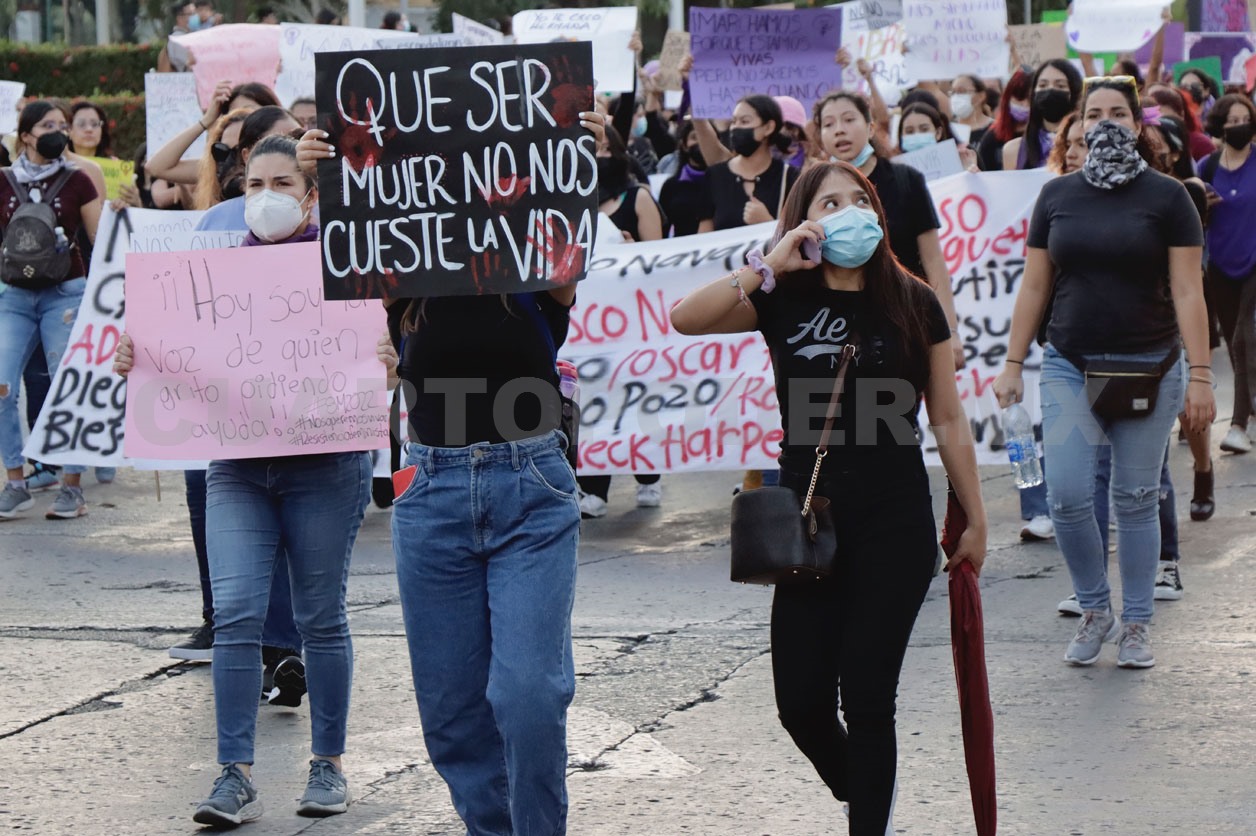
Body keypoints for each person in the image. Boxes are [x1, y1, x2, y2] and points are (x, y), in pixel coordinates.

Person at [292, 108, 606, 835]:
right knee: (452, 716)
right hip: (431, 491)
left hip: (531, 486)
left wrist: (577, 157)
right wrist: (324, 178)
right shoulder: (403, 277)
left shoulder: (536, 264)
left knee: (529, 695)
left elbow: (564, 217)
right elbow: (352, 239)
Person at [670, 160, 988, 835]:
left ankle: (867, 817)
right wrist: (768, 263)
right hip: (809, 520)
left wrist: (975, 517)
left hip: (895, 517)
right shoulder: (782, 295)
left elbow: (948, 416)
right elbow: (685, 318)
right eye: (830, 204)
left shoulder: (915, 301)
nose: (850, 214)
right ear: (804, 222)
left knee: (869, 698)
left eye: (859, 201)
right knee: (801, 705)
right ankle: (863, 789)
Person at [114, 135, 391, 826]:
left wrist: (390, 357)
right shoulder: (208, 279)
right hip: (237, 468)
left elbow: (392, 345)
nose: (264, 197)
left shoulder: (351, 265)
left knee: (319, 617)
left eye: (281, 183)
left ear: (312, 195)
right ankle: (233, 775)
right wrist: (138, 355)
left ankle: (328, 765)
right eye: (253, 185)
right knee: (236, 614)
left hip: (325, 467)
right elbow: (178, 353)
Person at [994, 77, 1215, 669]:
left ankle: (1137, 623)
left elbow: (1188, 291)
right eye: (1095, 114)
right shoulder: (1056, 196)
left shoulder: (1170, 198)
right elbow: (1034, 285)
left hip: (1152, 367)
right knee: (1066, 496)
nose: (1107, 122)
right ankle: (1096, 609)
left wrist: (1200, 374)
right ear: (1079, 124)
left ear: (1139, 124)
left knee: (1135, 498)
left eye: (1119, 112)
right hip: (1069, 364)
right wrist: (1012, 363)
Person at [813, 91, 966, 370]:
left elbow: (933, 259)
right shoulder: (815, 191)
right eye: (829, 124)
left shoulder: (906, 180)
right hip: (839, 331)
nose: (839, 130)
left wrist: (951, 331)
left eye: (849, 120)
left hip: (906, 321)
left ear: (871, 127)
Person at [0, 101, 101, 521]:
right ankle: (15, 482)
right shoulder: (3, 181)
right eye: (47, 125)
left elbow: (100, 241)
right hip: (14, 297)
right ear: (25, 135)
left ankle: (72, 487)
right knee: (2, 386)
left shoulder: (79, 179)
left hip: (65, 295)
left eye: (62, 124)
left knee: (67, 386)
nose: (57, 131)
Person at [578, 125, 665, 517]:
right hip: (589, 325)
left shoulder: (638, 197)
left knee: (637, 398)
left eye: (603, 148)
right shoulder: (571, 201)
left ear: (617, 152)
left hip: (632, 321)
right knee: (595, 399)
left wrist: (633, 253)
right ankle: (594, 487)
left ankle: (648, 475)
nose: (597, 156)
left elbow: (663, 259)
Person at [1199, 93, 1256, 456]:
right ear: (1220, 125)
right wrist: (1201, 205)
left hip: (1255, 261)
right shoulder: (1206, 166)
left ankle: (1238, 426)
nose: (1239, 126)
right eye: (1232, 121)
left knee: (1242, 338)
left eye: (1245, 119)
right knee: (1240, 344)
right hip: (1220, 264)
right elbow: (1191, 215)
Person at [697, 95, 799, 234]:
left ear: (768, 127)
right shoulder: (715, 175)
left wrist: (767, 223)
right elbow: (704, 236)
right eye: (733, 121)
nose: (736, 127)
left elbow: (797, 236)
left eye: (744, 121)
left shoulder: (789, 177)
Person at [1002, 59, 1083, 171]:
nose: (1050, 90)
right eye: (1043, 85)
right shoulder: (1013, 151)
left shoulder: (1086, 148)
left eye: (1060, 86)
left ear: (1074, 93)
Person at [658, 120, 707, 238]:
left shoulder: (722, 182)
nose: (700, 141)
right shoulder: (671, 186)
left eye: (704, 136)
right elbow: (662, 229)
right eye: (694, 137)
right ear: (684, 145)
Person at [976, 67, 1031, 171]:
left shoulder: (1046, 139)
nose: (1024, 104)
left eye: (1029, 99)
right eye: (1018, 98)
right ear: (1008, 98)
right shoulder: (992, 138)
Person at [951, 74, 994, 149]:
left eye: (962, 91)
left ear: (981, 96)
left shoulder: (995, 128)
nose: (956, 97)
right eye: (953, 92)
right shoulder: (949, 129)